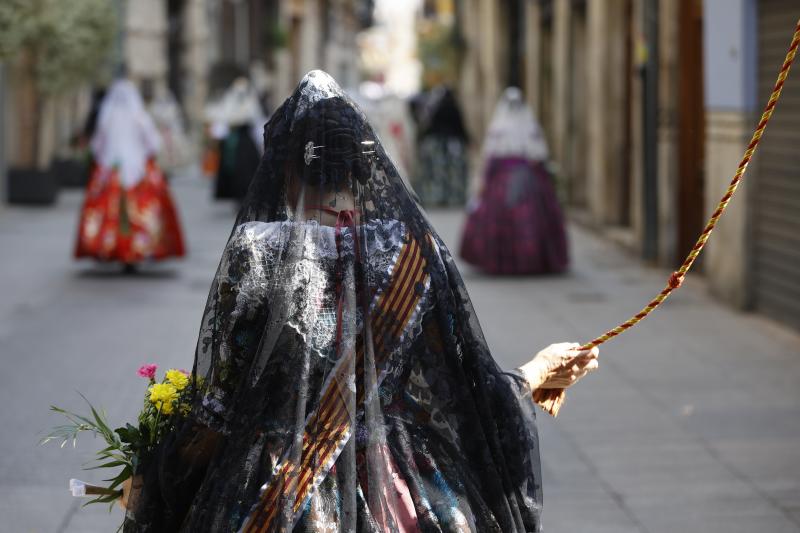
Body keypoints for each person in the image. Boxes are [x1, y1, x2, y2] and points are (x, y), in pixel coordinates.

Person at [122, 71, 597, 532]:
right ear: (367, 167)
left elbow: (218, 410)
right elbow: (462, 394)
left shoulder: (256, 252)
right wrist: (537, 372)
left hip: (276, 494)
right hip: (396, 492)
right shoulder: (413, 251)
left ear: (286, 169)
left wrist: (159, 480)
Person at [74, 79, 185, 267]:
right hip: (139, 170)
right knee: (143, 208)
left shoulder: (106, 116)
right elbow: (153, 143)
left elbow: (97, 146)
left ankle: (110, 248)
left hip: (111, 170)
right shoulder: (139, 116)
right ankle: (139, 249)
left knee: (108, 209)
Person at [460, 88, 569, 275]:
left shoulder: (500, 127)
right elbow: (539, 155)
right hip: (527, 179)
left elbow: (490, 157)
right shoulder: (527, 126)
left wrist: (484, 181)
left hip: (505, 180)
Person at [205, 77, 266, 202]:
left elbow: (256, 120)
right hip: (234, 140)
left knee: (249, 169)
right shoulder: (230, 101)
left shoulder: (251, 101)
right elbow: (224, 120)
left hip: (246, 140)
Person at [411, 87, 470, 207]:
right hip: (453, 144)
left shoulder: (436, 109)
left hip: (436, 144)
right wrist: (467, 140)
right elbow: (460, 127)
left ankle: (436, 197)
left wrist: (421, 140)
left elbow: (427, 127)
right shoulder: (454, 108)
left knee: (436, 173)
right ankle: (454, 197)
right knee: (453, 173)